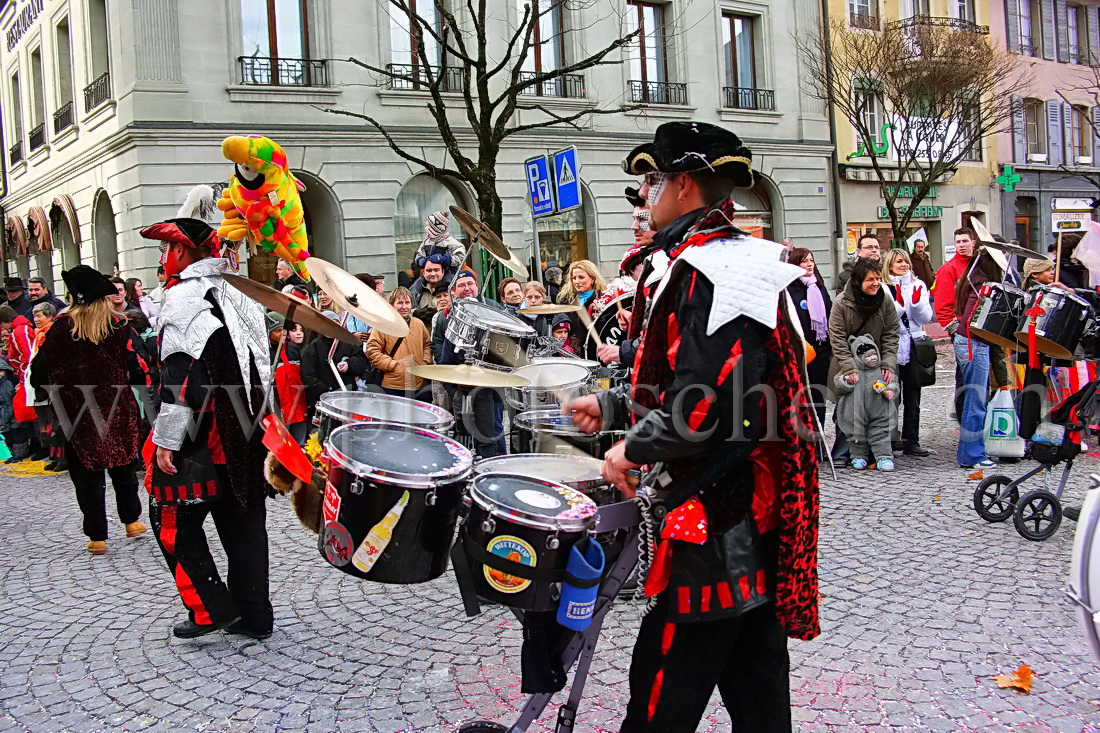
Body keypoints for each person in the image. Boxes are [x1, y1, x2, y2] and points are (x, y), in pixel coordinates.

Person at [564, 121, 819, 731]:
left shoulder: (713, 271)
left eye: (652, 180)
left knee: (660, 700)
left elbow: (710, 407)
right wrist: (619, 407)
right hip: (742, 523)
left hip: (716, 527)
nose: (645, 195)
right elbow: (694, 381)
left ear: (683, 185)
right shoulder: (717, 261)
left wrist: (633, 445)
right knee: (758, 696)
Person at [140, 215, 274, 640]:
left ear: (180, 252)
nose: (162, 259)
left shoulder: (182, 296)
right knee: (245, 523)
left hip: (205, 438)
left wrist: (166, 438)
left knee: (168, 520)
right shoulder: (241, 289)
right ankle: (255, 616)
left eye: (165, 250)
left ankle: (209, 609)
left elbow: (183, 375)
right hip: (249, 426)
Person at [30, 265, 155, 555]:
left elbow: (38, 373)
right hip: (117, 408)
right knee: (123, 466)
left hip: (76, 411)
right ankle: (131, 520)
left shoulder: (60, 329)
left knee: (86, 476)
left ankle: (97, 535)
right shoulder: (119, 327)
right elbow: (139, 367)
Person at [827, 257, 901, 469]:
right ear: (858, 281)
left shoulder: (884, 299)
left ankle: (878, 452)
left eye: (878, 278)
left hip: (875, 363)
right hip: (847, 362)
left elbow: (891, 333)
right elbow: (837, 337)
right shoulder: (841, 303)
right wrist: (849, 367)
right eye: (870, 279)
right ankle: (843, 452)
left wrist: (888, 363)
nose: (876, 283)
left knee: (878, 407)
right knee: (846, 408)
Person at [432, 269, 505, 456]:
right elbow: (445, 356)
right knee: (462, 436)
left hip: (488, 389)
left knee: (490, 435)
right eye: (461, 285)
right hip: (460, 388)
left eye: (470, 284)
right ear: (454, 290)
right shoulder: (448, 316)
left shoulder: (493, 308)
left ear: (477, 286)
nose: (466, 288)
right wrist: (453, 389)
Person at [953, 247, 1002, 469]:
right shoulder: (982, 284)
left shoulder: (972, 278)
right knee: (976, 400)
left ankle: (970, 453)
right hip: (974, 343)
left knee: (974, 399)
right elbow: (974, 317)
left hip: (968, 342)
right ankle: (972, 454)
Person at [883, 248, 934, 457]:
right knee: (892, 395)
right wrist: (900, 306)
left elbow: (925, 319)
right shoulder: (885, 287)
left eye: (906, 261)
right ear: (890, 265)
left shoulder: (918, 285)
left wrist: (915, 303)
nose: (904, 265)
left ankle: (912, 439)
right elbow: (887, 317)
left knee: (914, 395)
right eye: (899, 262)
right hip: (893, 344)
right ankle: (892, 440)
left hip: (914, 344)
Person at [786, 248, 832, 450]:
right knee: (801, 399)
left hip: (820, 351)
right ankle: (803, 444)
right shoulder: (788, 290)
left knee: (818, 397)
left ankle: (818, 442)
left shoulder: (818, 287)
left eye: (811, 260)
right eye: (804, 261)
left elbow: (830, 315)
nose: (809, 264)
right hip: (800, 353)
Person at [933, 228, 975, 421]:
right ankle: (962, 414)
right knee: (964, 373)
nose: (961, 245)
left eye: (965, 241)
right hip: (961, 329)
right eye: (958, 242)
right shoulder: (949, 269)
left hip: (980, 328)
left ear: (973, 243)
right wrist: (954, 329)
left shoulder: (979, 266)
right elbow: (942, 304)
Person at [366, 287, 433, 399]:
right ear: (392, 305)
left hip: (418, 382)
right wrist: (393, 365)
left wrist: (425, 361)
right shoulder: (382, 325)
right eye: (400, 303)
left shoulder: (418, 324)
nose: (404, 306)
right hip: (393, 385)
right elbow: (372, 350)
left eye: (407, 302)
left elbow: (427, 344)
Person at [301, 311, 367, 417]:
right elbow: (308, 375)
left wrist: (349, 365)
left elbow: (362, 362)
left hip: (348, 397)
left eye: (335, 323)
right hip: (325, 400)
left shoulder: (349, 343)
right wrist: (327, 391)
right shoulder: (315, 346)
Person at [0, 304, 39, 461]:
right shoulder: (20, 329)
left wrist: (23, 381)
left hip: (26, 377)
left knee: (27, 412)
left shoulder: (19, 332)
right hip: (25, 376)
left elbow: (27, 357)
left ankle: (36, 446)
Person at [30, 301, 65, 472]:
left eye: (39, 315)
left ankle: (62, 458)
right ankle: (54, 455)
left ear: (50, 317)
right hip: (43, 384)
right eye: (35, 315)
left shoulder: (51, 333)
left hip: (54, 384)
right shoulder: (38, 334)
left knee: (59, 424)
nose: (36, 319)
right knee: (49, 424)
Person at [274, 321, 308, 445]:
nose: (281, 334)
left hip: (298, 406)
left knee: (300, 444)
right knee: (281, 446)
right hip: (281, 409)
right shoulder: (268, 352)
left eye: (283, 330)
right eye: (277, 331)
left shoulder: (293, 349)